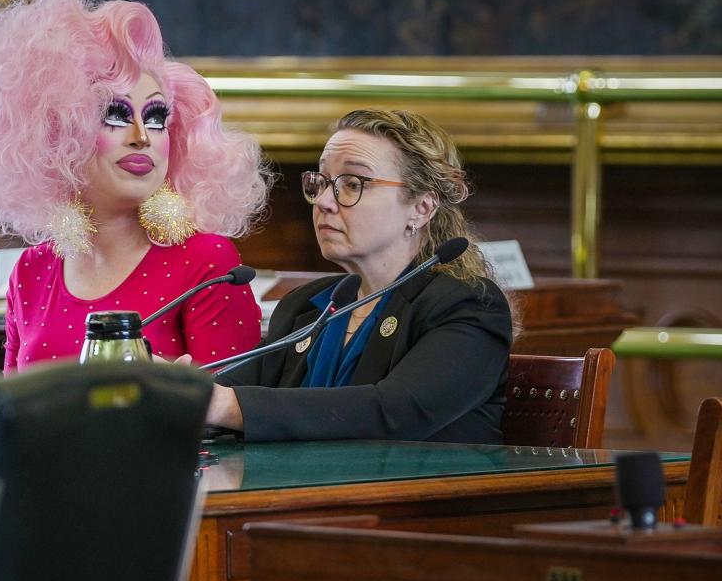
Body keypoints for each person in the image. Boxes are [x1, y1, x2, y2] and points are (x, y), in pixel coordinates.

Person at [0, 0, 270, 371]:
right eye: (115, 115)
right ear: (56, 132)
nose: (142, 137)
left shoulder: (207, 263)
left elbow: (230, 410)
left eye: (156, 118)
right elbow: (14, 414)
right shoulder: (32, 271)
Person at [206, 109, 515, 444]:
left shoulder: (468, 305)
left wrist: (226, 406)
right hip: (307, 493)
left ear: (421, 208)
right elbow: (233, 390)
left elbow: (392, 412)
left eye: (352, 184)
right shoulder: (308, 305)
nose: (323, 201)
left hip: (418, 493)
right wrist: (176, 390)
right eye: (322, 182)